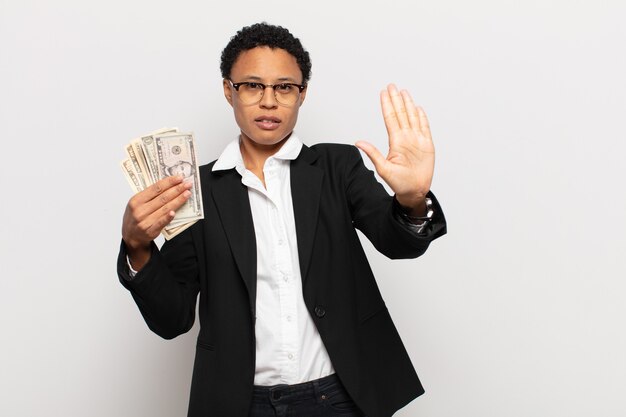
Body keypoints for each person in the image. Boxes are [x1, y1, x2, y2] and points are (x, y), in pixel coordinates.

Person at [118, 23, 446, 417]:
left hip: (339, 397)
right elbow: (171, 319)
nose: (269, 101)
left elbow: (396, 241)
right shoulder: (197, 189)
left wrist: (411, 200)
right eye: (253, 86)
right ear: (229, 90)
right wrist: (138, 247)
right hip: (240, 403)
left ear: (301, 93)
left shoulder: (337, 167)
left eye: (284, 87)